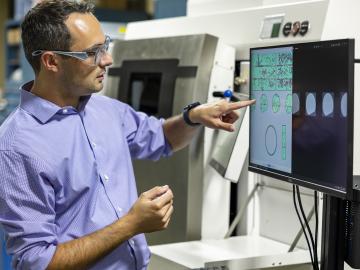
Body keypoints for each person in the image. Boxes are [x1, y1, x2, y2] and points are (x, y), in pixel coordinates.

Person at [0, 1, 255, 269]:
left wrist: (193, 117)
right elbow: (37, 262)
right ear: (51, 61)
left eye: (105, 46)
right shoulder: (17, 147)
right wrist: (131, 224)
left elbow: (160, 138)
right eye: (93, 52)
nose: (107, 60)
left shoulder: (105, 109)